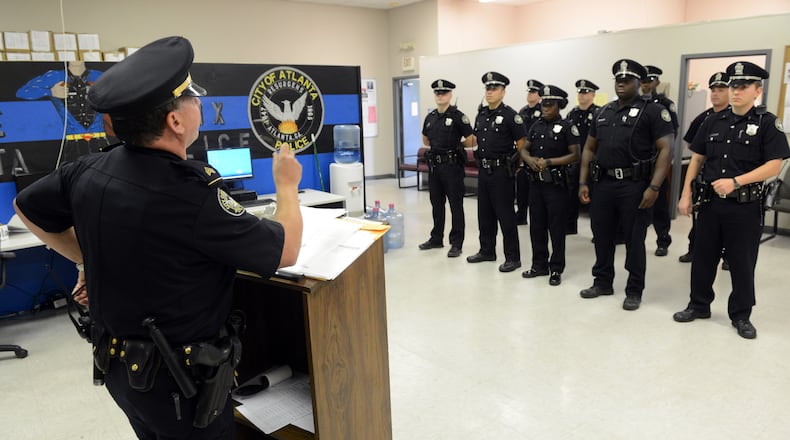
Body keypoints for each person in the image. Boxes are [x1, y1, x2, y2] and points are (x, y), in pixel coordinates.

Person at [13, 36, 303, 438]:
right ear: (176, 121)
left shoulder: (89, 169)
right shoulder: (191, 193)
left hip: (122, 371)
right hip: (180, 385)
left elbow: (26, 208)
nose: (199, 104)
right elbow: (286, 250)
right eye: (191, 98)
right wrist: (286, 185)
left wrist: (85, 260)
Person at [673, 61, 789, 339]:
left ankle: (741, 315)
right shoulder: (713, 120)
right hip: (710, 204)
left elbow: (775, 165)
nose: (736, 91)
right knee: (703, 257)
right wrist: (686, 193)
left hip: (744, 206)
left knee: (741, 262)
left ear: (757, 90)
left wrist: (737, 181)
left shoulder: (767, 123)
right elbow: (697, 158)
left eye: (743, 86)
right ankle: (698, 305)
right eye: (732, 86)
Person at [578, 59, 674, 311]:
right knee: (602, 236)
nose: (621, 85)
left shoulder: (652, 111)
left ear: (638, 83)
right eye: (618, 81)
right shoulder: (603, 111)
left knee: (633, 240)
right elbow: (589, 147)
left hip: (634, 185)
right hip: (603, 184)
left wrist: (654, 187)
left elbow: (666, 150)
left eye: (626, 81)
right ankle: (602, 281)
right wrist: (583, 181)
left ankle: (634, 290)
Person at [519, 85, 580, 286]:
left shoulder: (567, 126)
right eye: (543, 103)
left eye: (550, 104)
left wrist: (549, 162)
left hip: (556, 185)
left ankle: (556, 268)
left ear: (559, 105)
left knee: (556, 229)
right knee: (536, 226)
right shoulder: (536, 126)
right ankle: (539, 265)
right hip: (536, 185)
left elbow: (575, 154)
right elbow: (524, 149)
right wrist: (529, 160)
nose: (545, 107)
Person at [467, 71, 527, 273]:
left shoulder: (511, 116)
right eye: (487, 88)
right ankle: (487, 251)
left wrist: (515, 167)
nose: (490, 92)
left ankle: (513, 257)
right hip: (484, 171)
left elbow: (522, 145)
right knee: (484, 214)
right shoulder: (481, 114)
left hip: (502, 172)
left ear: (503, 91)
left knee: (505, 215)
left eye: (494, 88)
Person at [678, 72, 731, 269]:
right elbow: (695, 149)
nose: (716, 94)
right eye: (713, 90)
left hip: (729, 178)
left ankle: (727, 256)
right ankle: (695, 249)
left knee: (728, 222)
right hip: (705, 177)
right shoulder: (704, 118)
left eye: (721, 90)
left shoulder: (738, 116)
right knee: (700, 219)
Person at [418, 79, 476, 257]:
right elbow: (425, 139)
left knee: (455, 205)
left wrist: (457, 145)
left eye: (443, 93)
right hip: (435, 167)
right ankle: (436, 238)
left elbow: (472, 140)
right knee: (436, 204)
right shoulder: (431, 117)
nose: (440, 96)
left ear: (450, 95)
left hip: (452, 167)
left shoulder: (458, 116)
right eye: (437, 93)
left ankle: (456, 243)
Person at [640, 65, 679, 256]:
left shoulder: (665, 104)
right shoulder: (634, 102)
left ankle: (663, 240)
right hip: (638, 163)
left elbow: (673, 134)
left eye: (649, 81)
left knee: (660, 205)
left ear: (656, 82)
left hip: (658, 162)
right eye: (643, 81)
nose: (646, 85)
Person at [565, 79, 600, 234]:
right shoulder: (572, 113)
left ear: (593, 95)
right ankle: (570, 226)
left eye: (585, 93)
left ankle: (597, 231)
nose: (582, 96)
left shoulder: (599, 113)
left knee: (595, 198)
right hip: (574, 161)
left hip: (592, 162)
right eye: (580, 92)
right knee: (571, 194)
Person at [515, 79, 544, 225]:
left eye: (533, 92)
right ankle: (521, 215)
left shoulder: (544, 110)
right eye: (529, 92)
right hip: (523, 155)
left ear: (539, 94)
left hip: (537, 154)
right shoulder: (522, 111)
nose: (530, 94)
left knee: (535, 191)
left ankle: (536, 217)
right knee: (521, 188)